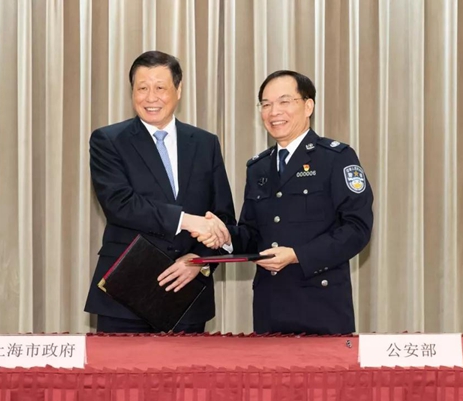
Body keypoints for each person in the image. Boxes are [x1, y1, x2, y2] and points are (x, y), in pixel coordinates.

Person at [198, 70, 373, 335]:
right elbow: (252, 234)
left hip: (322, 307)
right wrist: (223, 236)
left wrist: (297, 256)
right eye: (266, 104)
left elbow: (357, 229)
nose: (274, 112)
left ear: (308, 106)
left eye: (284, 101)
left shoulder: (336, 158)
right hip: (270, 307)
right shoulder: (258, 167)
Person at [85, 50, 235, 334]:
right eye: (142, 88)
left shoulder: (205, 143)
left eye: (160, 88)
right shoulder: (109, 140)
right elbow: (119, 204)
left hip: (188, 293)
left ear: (178, 90)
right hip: (125, 294)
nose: (150, 97)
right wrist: (187, 221)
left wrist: (199, 261)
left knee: (187, 367)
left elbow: (223, 218)